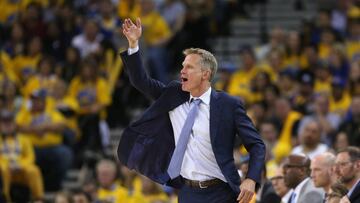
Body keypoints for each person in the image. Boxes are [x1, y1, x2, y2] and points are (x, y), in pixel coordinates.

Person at [117, 18, 266, 203]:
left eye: (189, 67)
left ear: (206, 74)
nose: (182, 71)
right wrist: (133, 44)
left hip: (222, 191)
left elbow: (257, 145)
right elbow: (141, 81)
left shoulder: (229, 105)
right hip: (188, 192)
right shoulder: (173, 94)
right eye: (182, 66)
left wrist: (251, 179)